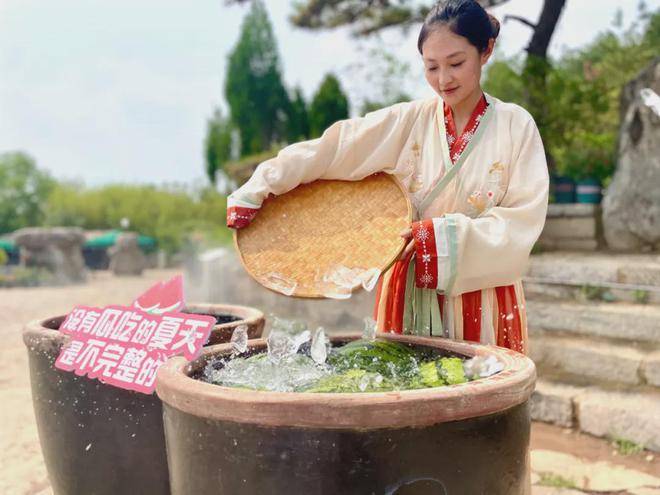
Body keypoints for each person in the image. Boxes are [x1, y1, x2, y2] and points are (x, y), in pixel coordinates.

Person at [226, 0, 549, 354]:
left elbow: (523, 219)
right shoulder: (408, 121)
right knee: (404, 396)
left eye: (457, 63)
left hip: (483, 295)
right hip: (407, 289)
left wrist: (438, 237)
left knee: (482, 400)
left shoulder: (516, 125)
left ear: (485, 51)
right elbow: (336, 148)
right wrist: (262, 184)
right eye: (432, 67)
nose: (444, 79)